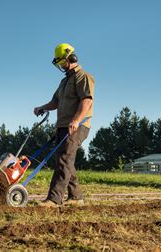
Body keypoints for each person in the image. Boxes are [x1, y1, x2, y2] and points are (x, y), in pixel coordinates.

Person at [33, 43, 95, 206]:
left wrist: (75, 120)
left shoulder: (83, 76)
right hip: (62, 126)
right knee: (64, 160)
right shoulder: (64, 81)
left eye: (62, 62)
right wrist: (42, 107)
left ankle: (54, 199)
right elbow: (55, 101)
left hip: (78, 125)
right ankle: (76, 197)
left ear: (71, 58)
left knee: (64, 159)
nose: (61, 65)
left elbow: (87, 100)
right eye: (59, 63)